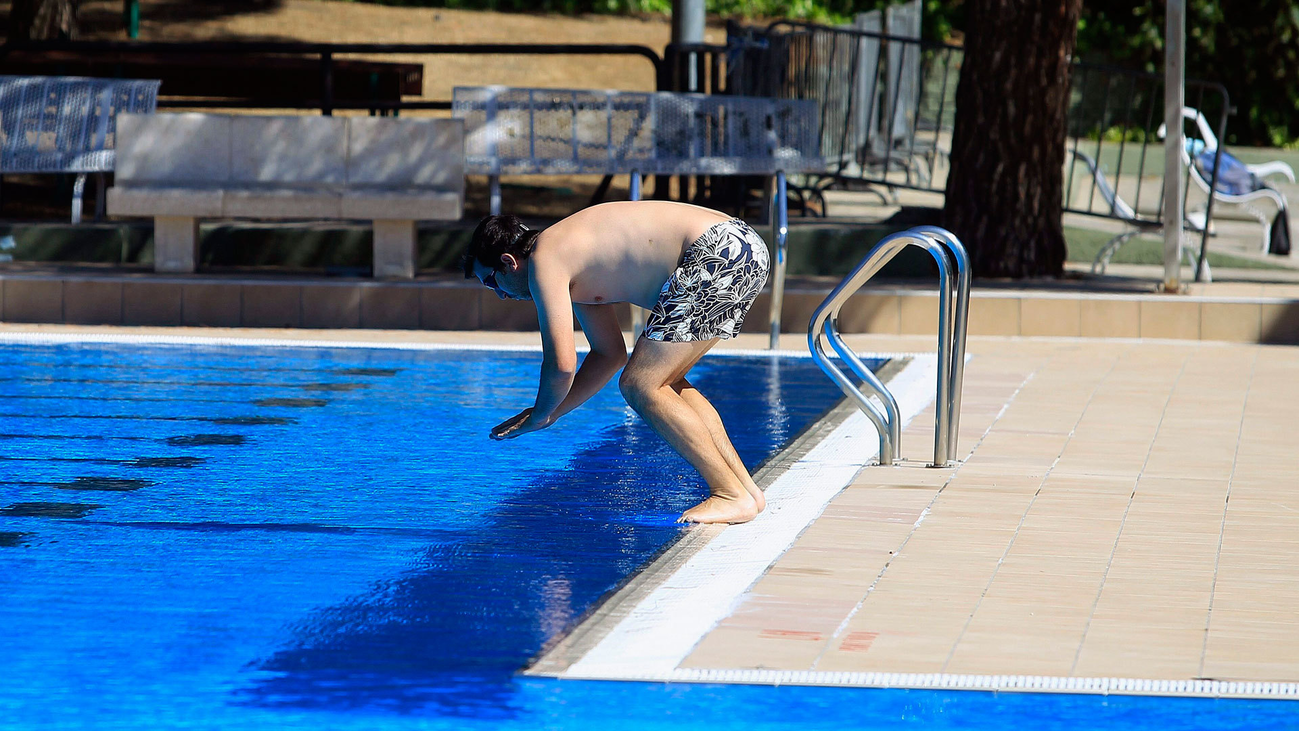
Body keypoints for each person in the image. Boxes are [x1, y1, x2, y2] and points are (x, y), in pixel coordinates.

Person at [461, 201, 771, 524]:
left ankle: (728, 493)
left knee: (640, 384)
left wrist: (538, 415)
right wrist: (550, 414)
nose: (500, 295)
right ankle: (746, 490)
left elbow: (561, 365)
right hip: (744, 246)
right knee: (666, 382)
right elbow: (608, 355)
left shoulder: (544, 259)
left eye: (491, 282)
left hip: (716, 250)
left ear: (508, 262)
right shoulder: (571, 255)